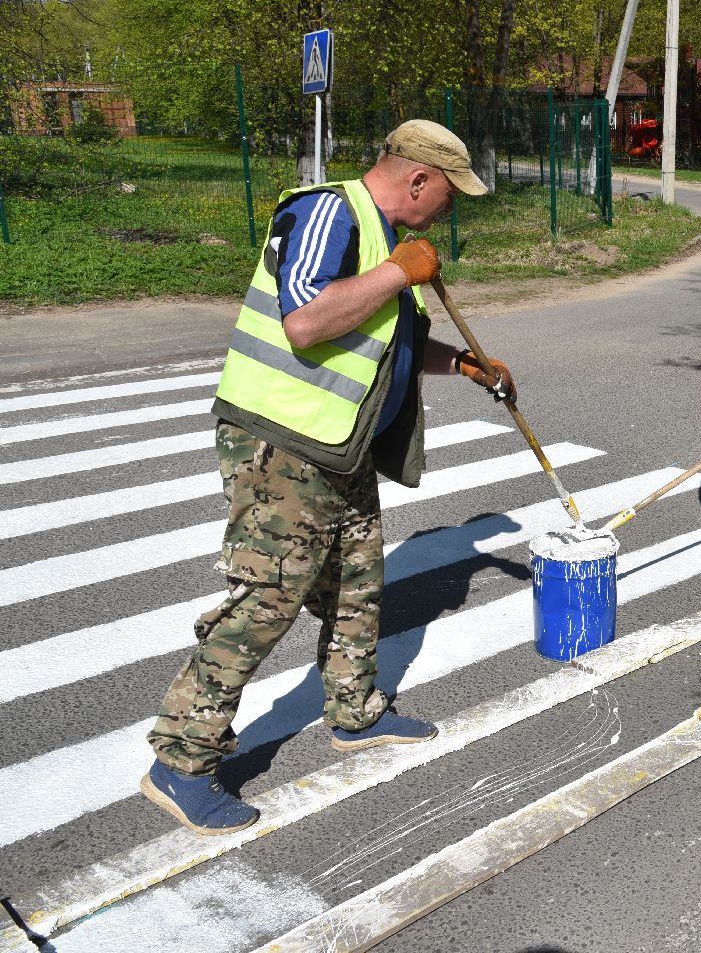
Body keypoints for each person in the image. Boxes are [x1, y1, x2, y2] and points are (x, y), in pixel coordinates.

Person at [142, 120, 517, 835]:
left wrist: (467, 364)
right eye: (447, 195)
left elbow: (388, 336)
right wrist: (399, 272)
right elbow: (307, 321)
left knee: (356, 586)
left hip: (340, 448)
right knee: (267, 600)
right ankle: (180, 759)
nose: (447, 211)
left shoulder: (384, 242)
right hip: (283, 445)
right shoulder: (328, 212)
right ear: (417, 180)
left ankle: (354, 715)